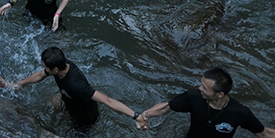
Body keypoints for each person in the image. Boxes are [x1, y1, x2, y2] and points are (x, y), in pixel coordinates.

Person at [16, 47, 147, 129]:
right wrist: (19, 84)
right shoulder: (62, 65)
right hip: (69, 100)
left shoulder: (76, 85)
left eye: (45, 67)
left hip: (85, 119)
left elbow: (107, 100)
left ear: (55, 69)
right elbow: (40, 75)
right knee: (51, 103)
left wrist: (135, 116)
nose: (44, 69)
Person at [141, 67, 275, 137]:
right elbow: (167, 107)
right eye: (201, 84)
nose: (200, 88)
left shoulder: (239, 113)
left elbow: (263, 133)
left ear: (220, 94)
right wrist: (145, 115)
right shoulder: (194, 97)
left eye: (204, 88)